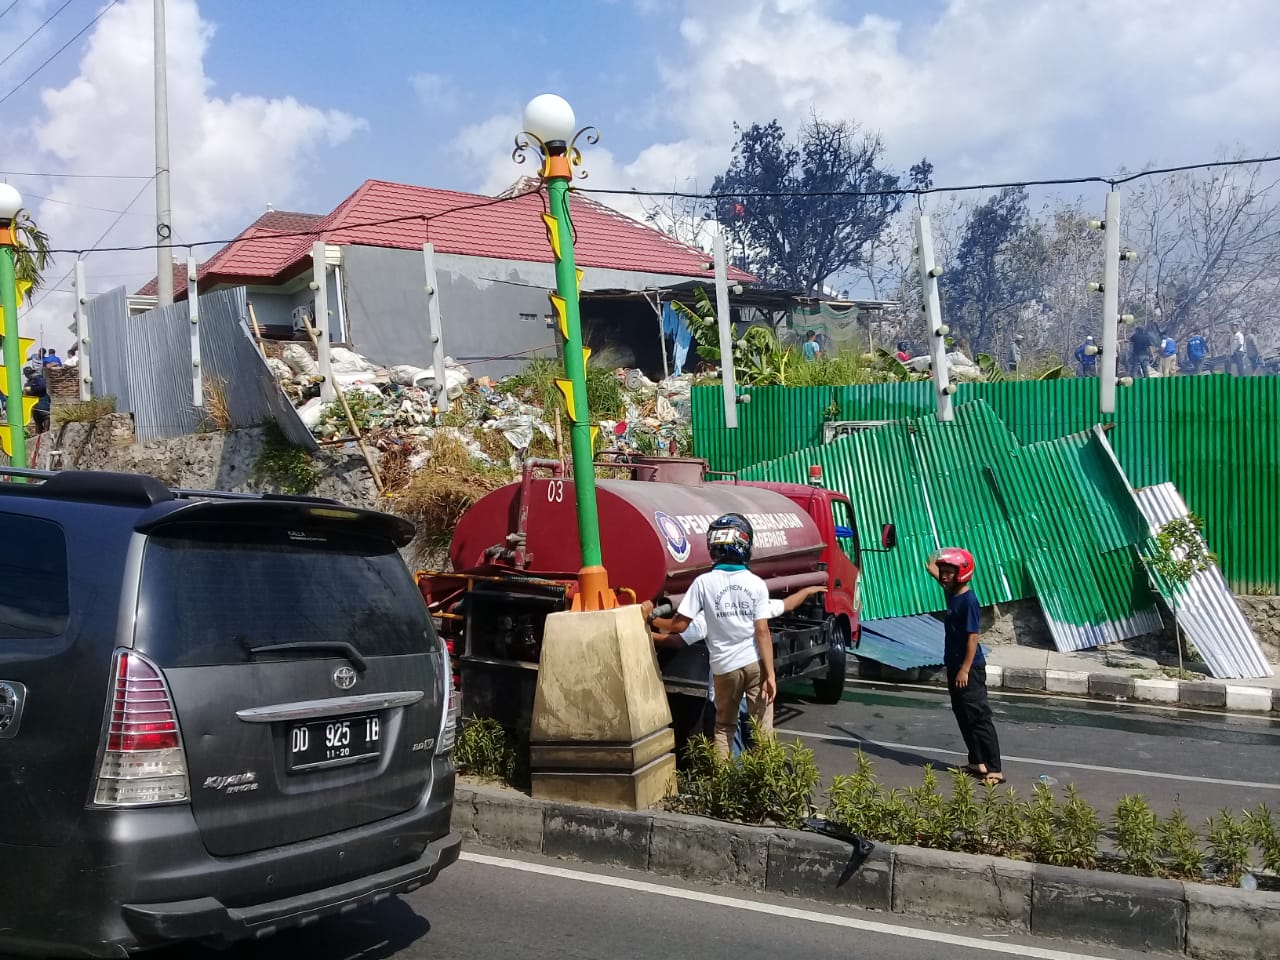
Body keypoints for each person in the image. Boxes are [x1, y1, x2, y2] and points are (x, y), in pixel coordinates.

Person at [648, 584, 826, 757]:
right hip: (754, 690)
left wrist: (648, 632)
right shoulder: (755, 604)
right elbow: (788, 604)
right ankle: (759, 783)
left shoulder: (708, 613)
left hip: (724, 693)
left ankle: (732, 783)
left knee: (727, 749)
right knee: (762, 749)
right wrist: (806, 591)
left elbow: (678, 640)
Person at [663, 514, 777, 758]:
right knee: (761, 730)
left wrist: (650, 619)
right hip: (754, 663)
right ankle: (763, 783)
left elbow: (679, 626)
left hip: (724, 668)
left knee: (724, 729)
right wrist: (771, 674)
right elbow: (762, 632)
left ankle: (724, 785)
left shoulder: (703, 582)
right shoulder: (756, 583)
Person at [926, 546, 1003, 785]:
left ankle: (994, 769)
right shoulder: (952, 593)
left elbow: (973, 637)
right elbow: (932, 569)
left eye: (949, 572)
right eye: (943, 571)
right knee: (963, 714)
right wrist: (935, 556)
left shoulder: (969, 600)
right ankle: (977, 761)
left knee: (979, 717)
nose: (944, 576)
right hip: (954, 664)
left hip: (969, 668)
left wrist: (965, 669)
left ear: (962, 574)